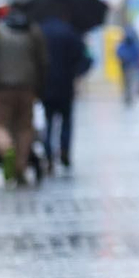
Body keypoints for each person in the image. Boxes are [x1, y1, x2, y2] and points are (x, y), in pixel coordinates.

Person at [0, 7, 47, 185]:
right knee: (25, 128)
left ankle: (6, 148)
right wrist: (39, 88)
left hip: (1, 87)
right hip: (27, 87)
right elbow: (42, 62)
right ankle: (20, 167)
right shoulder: (33, 33)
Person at [38, 12, 92, 171]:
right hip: (65, 85)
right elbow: (86, 59)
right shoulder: (71, 33)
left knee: (47, 121)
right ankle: (64, 151)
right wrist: (77, 73)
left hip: (46, 85)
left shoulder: (41, 32)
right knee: (66, 121)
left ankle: (47, 152)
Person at [116, 28, 139, 108]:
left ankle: (129, 97)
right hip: (126, 66)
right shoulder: (124, 45)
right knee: (127, 82)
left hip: (131, 66)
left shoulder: (133, 45)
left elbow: (137, 55)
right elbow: (119, 53)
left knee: (130, 82)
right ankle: (127, 97)